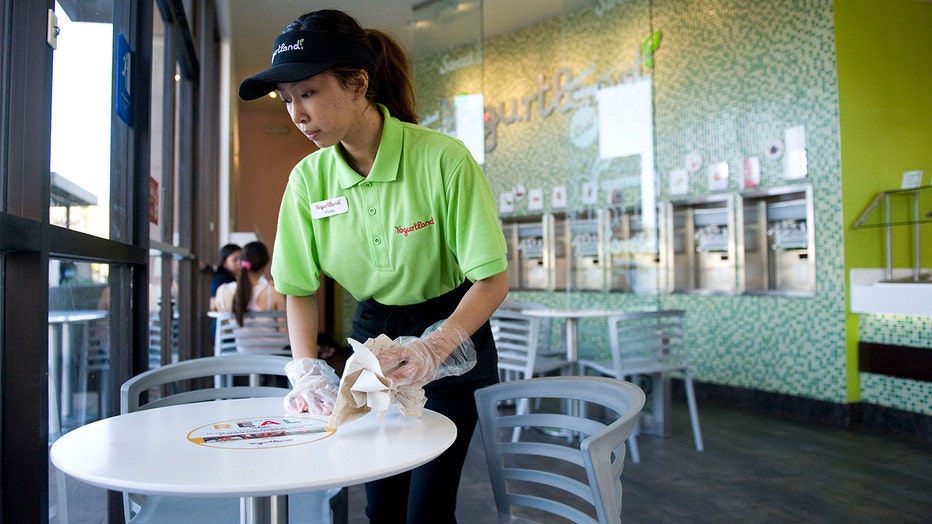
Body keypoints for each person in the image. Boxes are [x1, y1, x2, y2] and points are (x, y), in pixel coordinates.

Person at [238, 9, 509, 523]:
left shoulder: (443, 160)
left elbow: (492, 279)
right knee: (381, 504)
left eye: (309, 93)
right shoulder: (308, 180)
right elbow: (297, 287)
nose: (296, 112)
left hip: (452, 331)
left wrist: (435, 346)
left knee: (426, 509)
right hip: (372, 341)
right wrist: (307, 374)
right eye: (287, 98)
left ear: (358, 83)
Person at [215, 241, 287, 353]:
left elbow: (228, 331)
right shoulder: (273, 293)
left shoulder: (222, 292)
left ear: (240, 263)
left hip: (241, 355)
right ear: (264, 266)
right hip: (274, 358)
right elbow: (284, 334)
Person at [209, 243, 242, 311]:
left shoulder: (245, 277)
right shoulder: (219, 279)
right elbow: (213, 305)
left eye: (241, 259)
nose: (239, 263)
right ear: (224, 263)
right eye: (235, 260)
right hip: (225, 319)